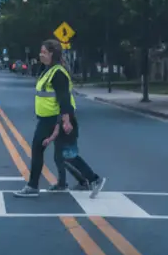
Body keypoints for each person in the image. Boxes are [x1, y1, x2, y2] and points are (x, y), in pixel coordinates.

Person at [13, 39, 105, 198]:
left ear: (52, 54)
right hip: (49, 118)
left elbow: (64, 99)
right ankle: (91, 179)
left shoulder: (57, 73)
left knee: (38, 149)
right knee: (65, 154)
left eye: (44, 52)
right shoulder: (49, 70)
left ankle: (33, 186)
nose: (41, 54)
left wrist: (66, 120)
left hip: (53, 119)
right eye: (41, 52)